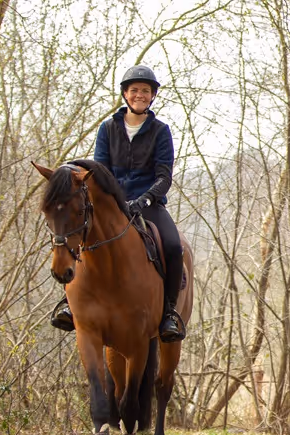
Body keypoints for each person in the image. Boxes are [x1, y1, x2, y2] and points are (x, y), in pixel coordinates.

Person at [50, 65, 186, 343]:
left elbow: (164, 176)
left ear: (152, 96)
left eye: (145, 91)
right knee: (76, 236)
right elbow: (100, 169)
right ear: (125, 94)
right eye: (134, 90)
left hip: (148, 204)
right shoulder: (108, 128)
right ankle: (67, 303)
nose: (140, 95)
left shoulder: (161, 131)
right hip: (112, 205)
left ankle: (169, 312)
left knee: (173, 246)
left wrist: (146, 198)